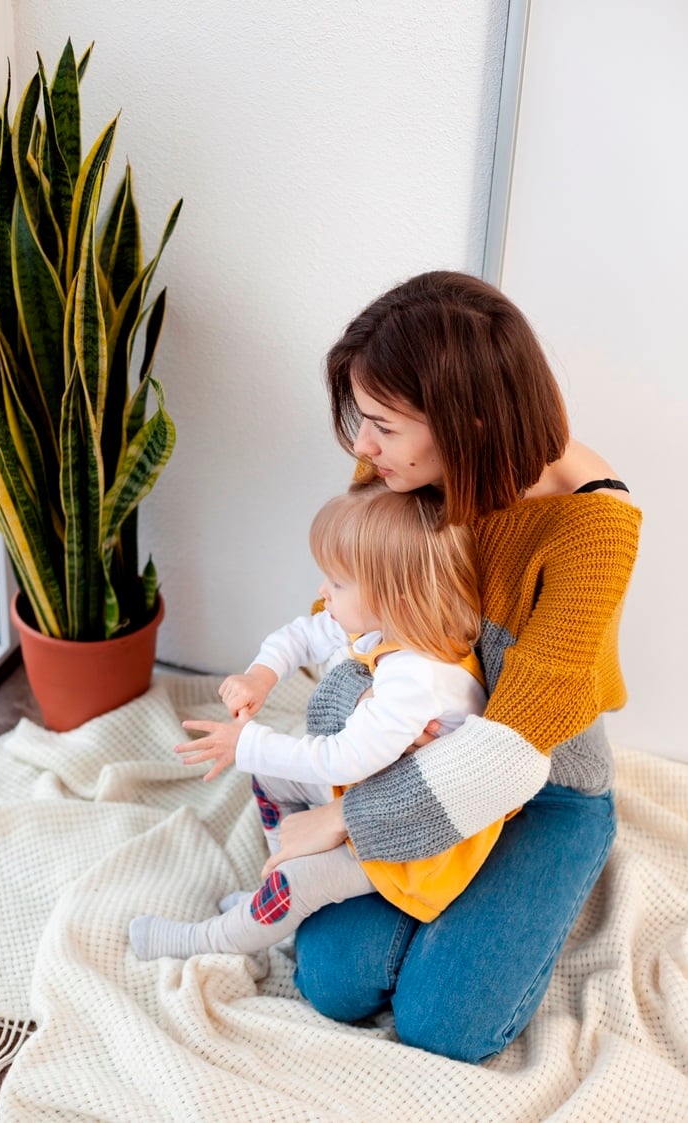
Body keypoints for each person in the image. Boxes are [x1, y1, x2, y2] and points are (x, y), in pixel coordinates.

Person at [257, 270, 642, 1063]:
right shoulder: (401, 470)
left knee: (446, 1026)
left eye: (382, 426)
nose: (360, 446)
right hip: (409, 753)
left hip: (539, 788)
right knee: (334, 982)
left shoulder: (593, 527)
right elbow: (344, 621)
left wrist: (341, 820)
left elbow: (509, 753)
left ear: (467, 419)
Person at [129, 482, 505, 961]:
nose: (322, 591)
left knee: (296, 885)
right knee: (271, 779)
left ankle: (210, 940)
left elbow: (342, 760)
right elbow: (305, 634)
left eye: (338, 583)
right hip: (373, 792)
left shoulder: (418, 676)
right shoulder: (395, 623)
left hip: (410, 836)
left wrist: (248, 742)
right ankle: (279, 866)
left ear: (397, 598)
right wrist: (260, 678)